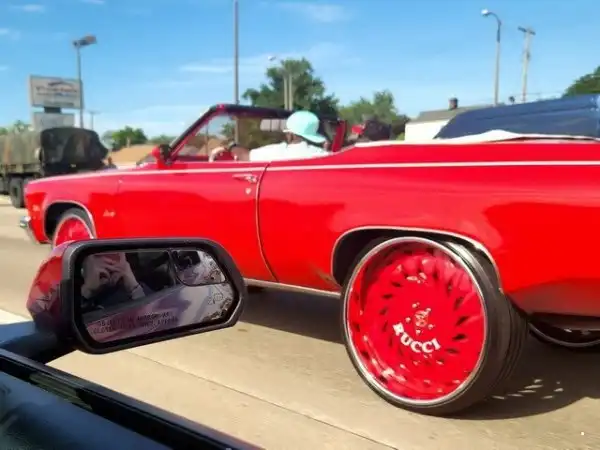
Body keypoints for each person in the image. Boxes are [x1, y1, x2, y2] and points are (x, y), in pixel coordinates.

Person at [212, 111, 330, 162]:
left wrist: (230, 145)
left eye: (287, 133)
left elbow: (244, 156)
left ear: (291, 135)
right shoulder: (323, 155)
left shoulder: (278, 152)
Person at [80, 253, 149, 312]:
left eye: (116, 254)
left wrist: (134, 288)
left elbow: (150, 315)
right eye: (99, 255)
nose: (110, 262)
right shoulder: (74, 288)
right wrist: (87, 291)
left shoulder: (140, 288)